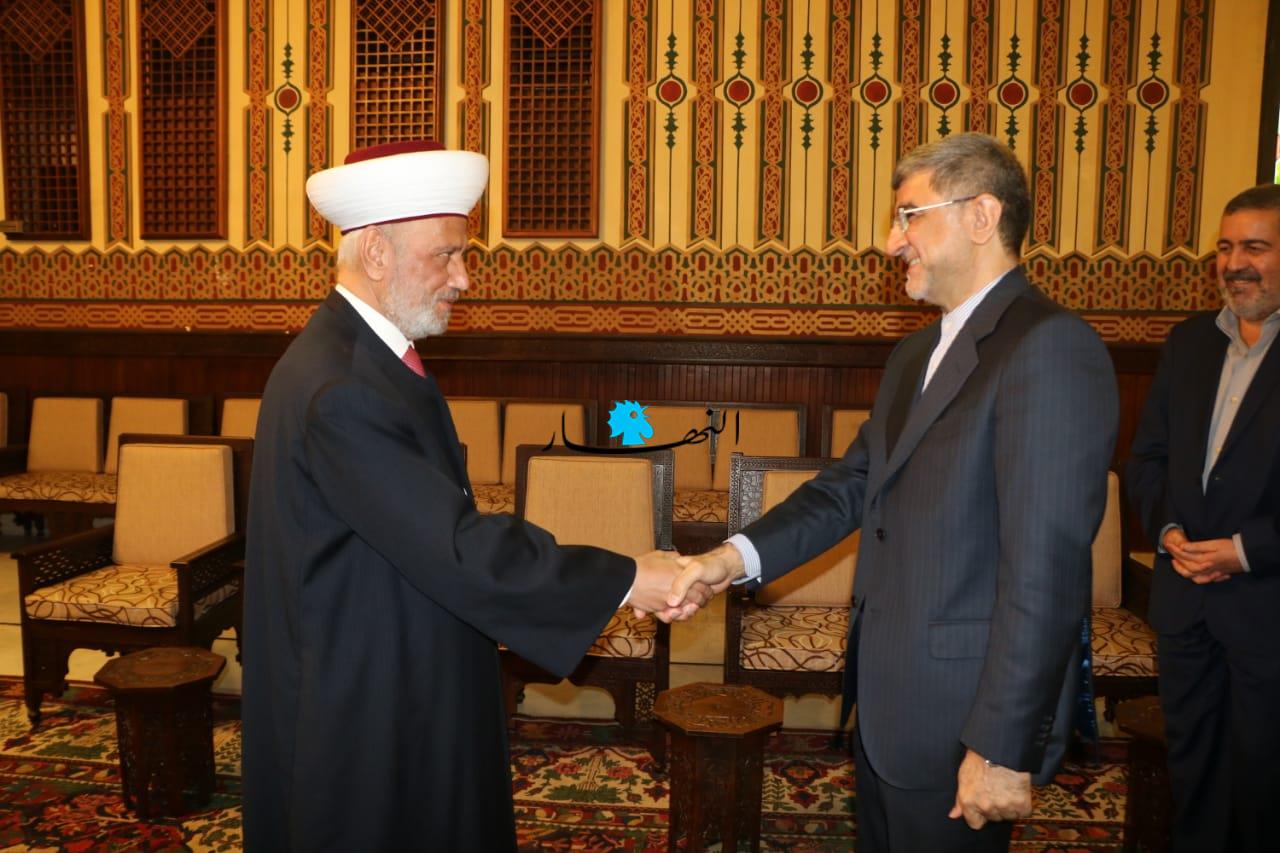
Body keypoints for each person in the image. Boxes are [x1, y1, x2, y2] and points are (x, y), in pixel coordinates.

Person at [241, 140, 703, 851]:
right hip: (361, 703)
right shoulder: (342, 386)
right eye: (447, 255)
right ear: (376, 253)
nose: (463, 278)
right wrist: (626, 576)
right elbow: (453, 543)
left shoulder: (362, 356)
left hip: (392, 663)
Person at [666, 132, 1118, 852]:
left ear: (981, 216)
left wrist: (1002, 746)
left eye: (910, 215)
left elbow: (1048, 570)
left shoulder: (1050, 347)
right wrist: (727, 560)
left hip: (965, 719)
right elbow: (849, 487)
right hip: (889, 707)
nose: (890, 241)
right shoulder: (916, 353)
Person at [1125, 183, 1280, 853]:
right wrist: (1169, 533)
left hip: (1267, 610)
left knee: (1263, 792)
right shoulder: (1189, 343)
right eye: (1225, 247)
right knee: (1193, 784)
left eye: (1256, 247)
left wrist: (1242, 551)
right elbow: (1147, 459)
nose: (1235, 263)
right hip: (1185, 607)